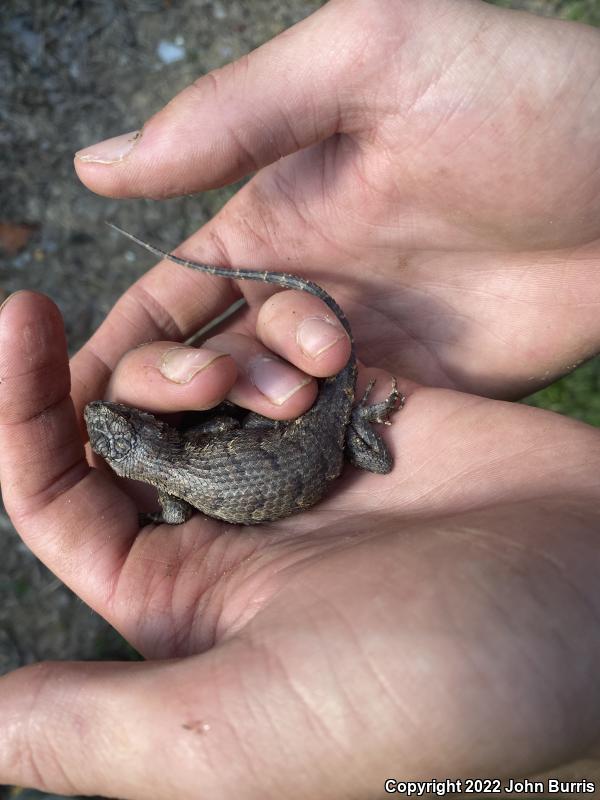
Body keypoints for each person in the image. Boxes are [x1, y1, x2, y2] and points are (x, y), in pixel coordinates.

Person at [1, 0, 600, 796]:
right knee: (288, 412)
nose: (108, 425)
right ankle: (361, 415)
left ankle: (363, 417)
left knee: (304, 420)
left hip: (325, 430)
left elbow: (182, 496)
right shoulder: (187, 462)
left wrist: (347, 421)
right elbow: (218, 449)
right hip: (317, 429)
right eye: (115, 434)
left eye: (118, 429)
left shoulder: (177, 500)